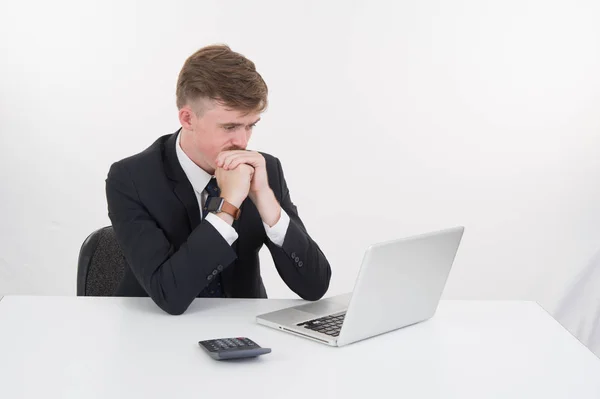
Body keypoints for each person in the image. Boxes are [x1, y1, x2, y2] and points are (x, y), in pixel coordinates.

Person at [105, 44, 331, 315]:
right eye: (230, 127)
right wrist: (229, 203)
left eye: (250, 125)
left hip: (242, 330)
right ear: (188, 118)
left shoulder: (263, 168)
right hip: (156, 331)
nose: (243, 141)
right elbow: (170, 297)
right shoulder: (131, 179)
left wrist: (265, 200)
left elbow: (315, 286)